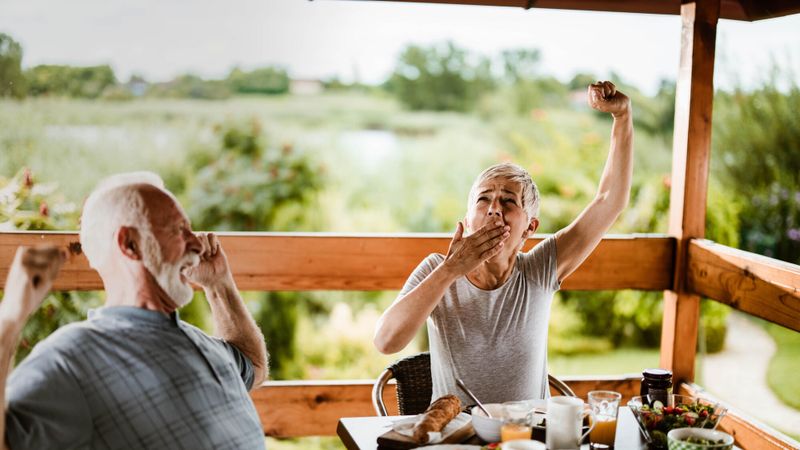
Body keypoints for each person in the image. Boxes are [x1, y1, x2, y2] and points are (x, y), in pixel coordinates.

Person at [373, 81, 633, 405]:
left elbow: (609, 201)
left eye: (508, 201)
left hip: (528, 438)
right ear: (468, 221)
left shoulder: (540, 268)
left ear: (530, 227)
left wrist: (622, 118)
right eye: (484, 199)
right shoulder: (436, 269)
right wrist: (451, 269)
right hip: (458, 440)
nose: (495, 207)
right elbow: (385, 341)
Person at [0, 172, 268, 449]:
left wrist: (219, 284)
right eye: (179, 230)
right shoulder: (72, 358)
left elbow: (255, 366)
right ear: (130, 244)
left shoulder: (201, 343)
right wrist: (9, 320)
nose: (199, 243)